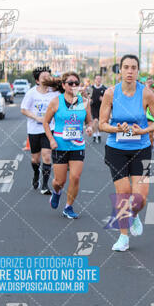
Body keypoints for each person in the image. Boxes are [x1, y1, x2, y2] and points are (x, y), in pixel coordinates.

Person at [99, 55, 154, 252]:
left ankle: (134, 216)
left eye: (133, 67)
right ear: (120, 70)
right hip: (116, 149)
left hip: (141, 148)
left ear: (138, 71)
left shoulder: (146, 93)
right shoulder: (111, 93)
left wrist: (143, 131)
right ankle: (123, 237)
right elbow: (101, 124)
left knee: (141, 197)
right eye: (126, 67)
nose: (129, 71)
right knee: (123, 192)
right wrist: (117, 129)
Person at [41, 72, 93, 219]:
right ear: (64, 85)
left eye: (77, 82)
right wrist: (51, 139)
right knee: (59, 181)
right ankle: (57, 192)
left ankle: (68, 207)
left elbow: (90, 121)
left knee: (75, 177)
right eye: (70, 83)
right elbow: (45, 122)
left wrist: (90, 128)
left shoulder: (83, 102)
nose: (74, 85)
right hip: (60, 145)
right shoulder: (56, 101)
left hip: (77, 145)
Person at [20, 67, 60, 195]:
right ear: (37, 80)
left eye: (48, 76)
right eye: (44, 77)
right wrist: (36, 117)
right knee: (35, 160)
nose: (46, 79)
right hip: (34, 130)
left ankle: (44, 185)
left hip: (49, 128)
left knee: (47, 156)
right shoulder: (31, 93)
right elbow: (23, 109)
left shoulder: (55, 93)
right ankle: (36, 173)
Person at [90, 75, 107, 143]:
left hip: (101, 107)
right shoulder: (91, 88)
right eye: (97, 79)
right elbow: (88, 97)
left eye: (100, 79)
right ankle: (94, 134)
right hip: (93, 107)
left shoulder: (104, 88)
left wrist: (103, 99)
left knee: (99, 121)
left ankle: (98, 133)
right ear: (94, 80)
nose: (98, 80)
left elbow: (107, 99)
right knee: (95, 120)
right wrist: (90, 100)